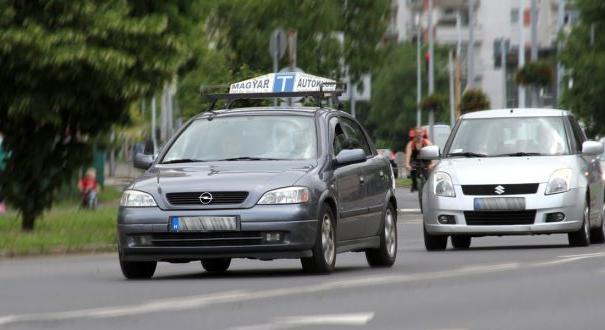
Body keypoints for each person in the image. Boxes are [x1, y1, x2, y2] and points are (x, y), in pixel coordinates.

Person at [405, 127, 434, 192]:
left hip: (426, 161)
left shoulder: (427, 143)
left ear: (423, 134)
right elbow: (408, 155)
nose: (419, 135)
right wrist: (407, 164)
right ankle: (414, 184)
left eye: (420, 133)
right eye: (417, 133)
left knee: (427, 176)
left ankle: (429, 189)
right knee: (413, 171)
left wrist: (432, 164)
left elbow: (432, 155)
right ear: (415, 134)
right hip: (415, 161)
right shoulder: (411, 144)